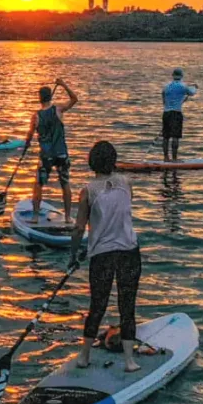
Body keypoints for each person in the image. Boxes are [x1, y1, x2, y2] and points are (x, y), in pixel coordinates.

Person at [70, 141, 141, 372]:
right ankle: (130, 361)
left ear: (92, 162)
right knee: (127, 306)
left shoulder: (87, 191)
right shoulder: (127, 183)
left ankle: (84, 356)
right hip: (129, 252)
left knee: (97, 306)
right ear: (114, 161)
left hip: (102, 255)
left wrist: (73, 255)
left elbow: (79, 228)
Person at [25, 78, 78, 223]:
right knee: (65, 183)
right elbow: (74, 99)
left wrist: (27, 144)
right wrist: (63, 84)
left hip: (46, 156)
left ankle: (35, 217)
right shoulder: (59, 110)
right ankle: (67, 217)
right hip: (61, 153)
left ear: (39, 98)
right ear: (50, 97)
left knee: (38, 184)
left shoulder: (36, 116)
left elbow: (29, 136)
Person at [161, 67, 198, 161]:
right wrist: (195, 86)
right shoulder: (183, 86)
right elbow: (192, 93)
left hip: (166, 113)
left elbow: (163, 97)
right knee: (175, 136)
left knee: (166, 137)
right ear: (181, 76)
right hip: (176, 113)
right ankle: (174, 159)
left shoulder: (166, 86)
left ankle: (166, 158)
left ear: (173, 76)